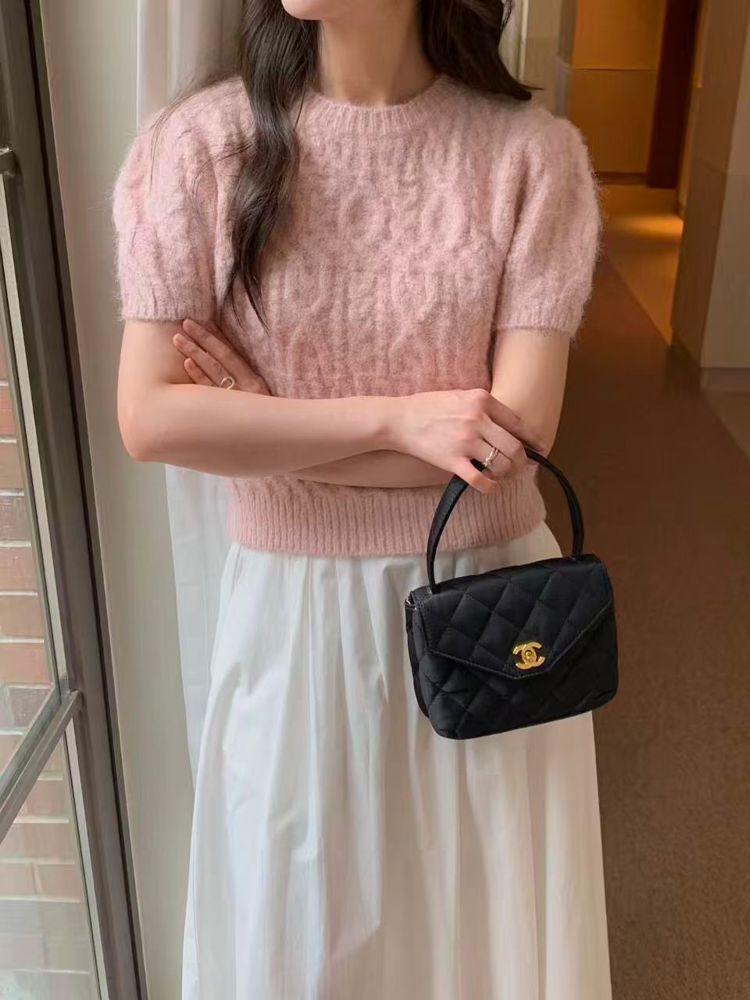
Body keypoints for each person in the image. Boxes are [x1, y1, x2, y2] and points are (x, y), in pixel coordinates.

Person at [113, 1, 610, 996]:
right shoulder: (200, 150)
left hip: (487, 613)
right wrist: (398, 423)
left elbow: (512, 440)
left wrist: (267, 429)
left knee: (481, 941)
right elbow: (151, 418)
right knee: (301, 943)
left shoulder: (531, 156)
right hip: (294, 628)